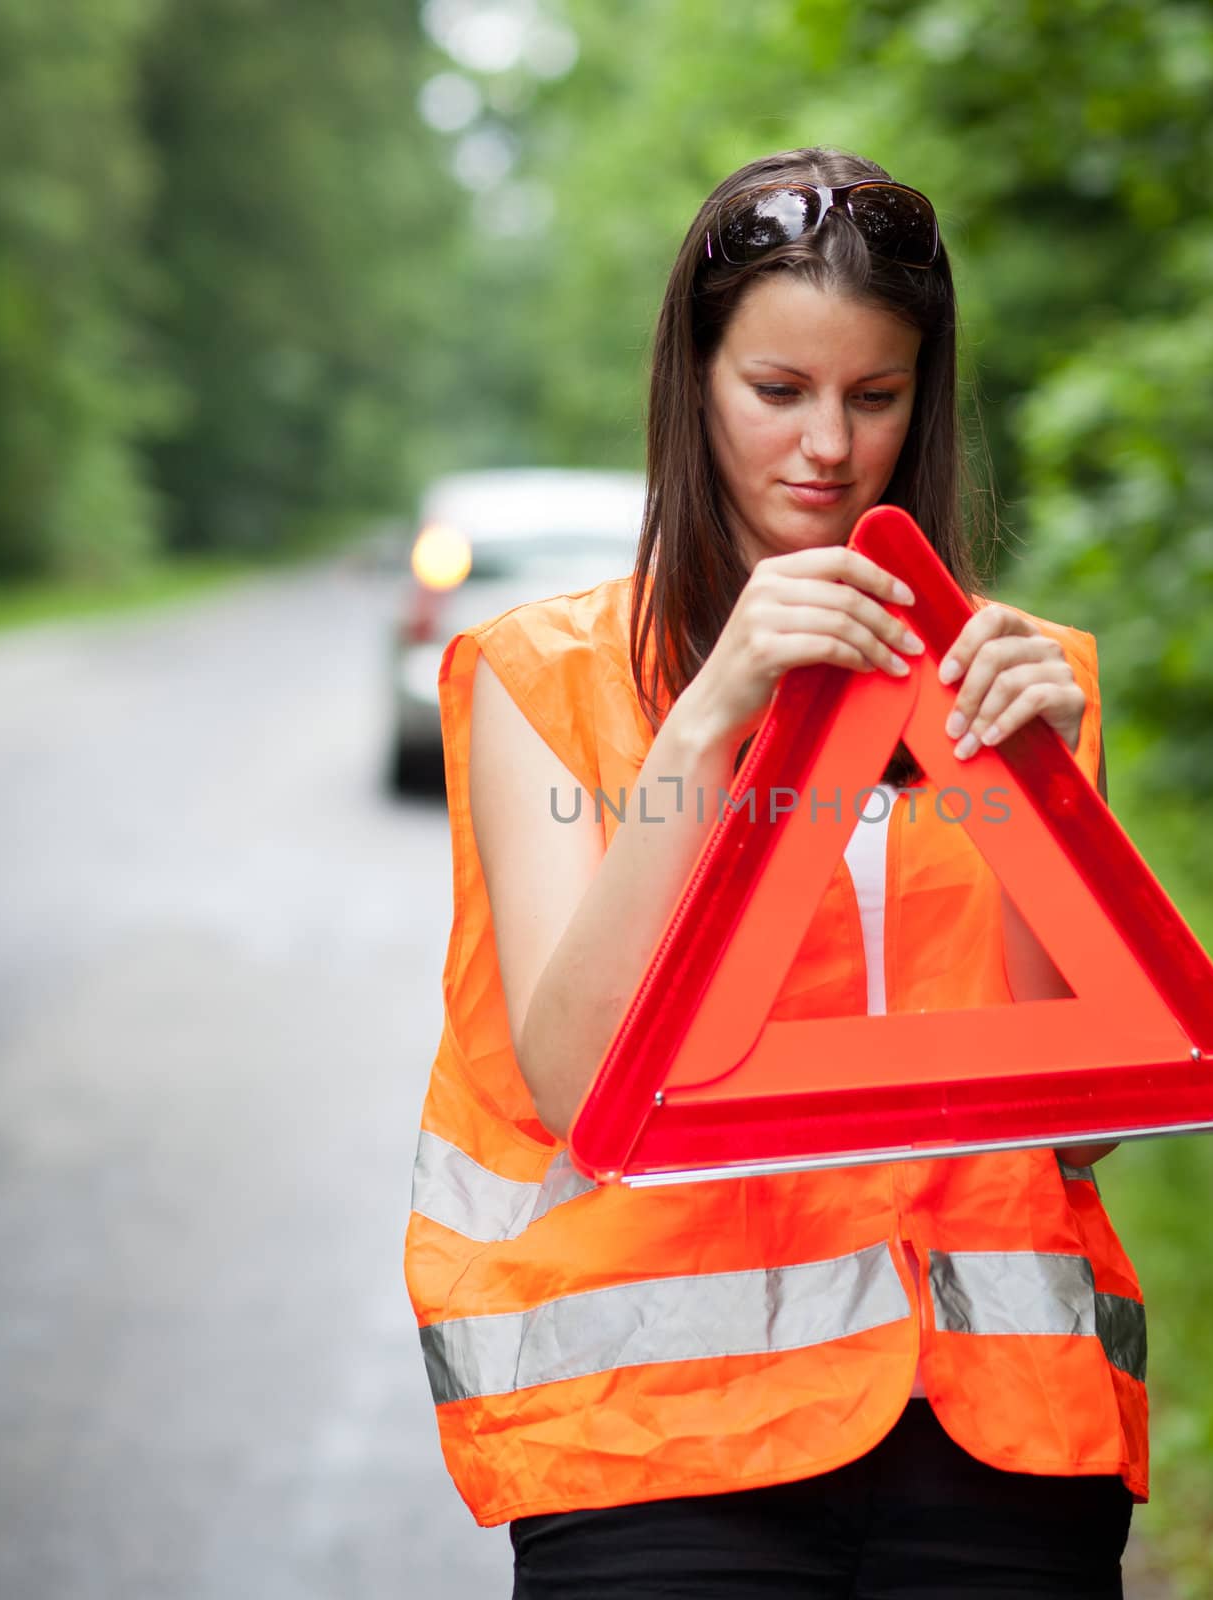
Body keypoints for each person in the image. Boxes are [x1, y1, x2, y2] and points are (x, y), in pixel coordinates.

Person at [405, 147, 1146, 1599]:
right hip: (656, 1456)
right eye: (778, 392)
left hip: (996, 1439)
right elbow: (577, 1086)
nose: (829, 448)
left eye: (877, 398)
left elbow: (1071, 1130)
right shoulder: (542, 679)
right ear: (695, 383)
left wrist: (1045, 799)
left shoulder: (1027, 676)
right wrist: (713, 709)